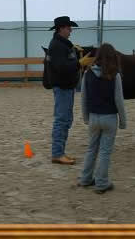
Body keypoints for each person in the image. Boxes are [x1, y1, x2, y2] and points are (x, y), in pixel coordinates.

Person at [78, 43, 126, 194]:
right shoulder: (115, 75)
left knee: (91, 149)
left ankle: (85, 179)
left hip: (93, 118)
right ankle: (101, 183)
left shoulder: (87, 74)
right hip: (110, 118)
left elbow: (84, 98)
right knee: (105, 152)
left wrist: (86, 117)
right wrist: (123, 121)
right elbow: (119, 100)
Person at [48, 16, 94, 165]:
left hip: (67, 87)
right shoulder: (57, 46)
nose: (71, 30)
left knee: (66, 119)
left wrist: (75, 53)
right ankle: (57, 154)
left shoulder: (63, 45)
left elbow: (65, 62)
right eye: (69, 28)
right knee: (62, 120)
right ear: (61, 28)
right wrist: (79, 63)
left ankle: (60, 152)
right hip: (62, 87)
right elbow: (61, 68)